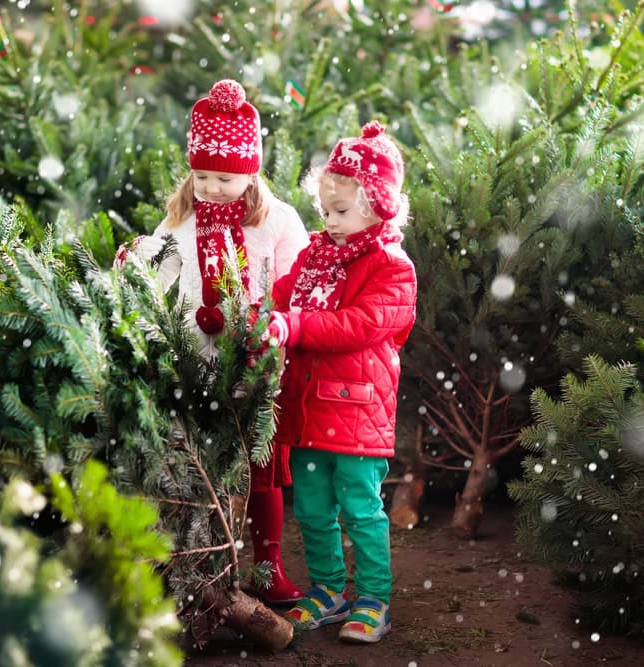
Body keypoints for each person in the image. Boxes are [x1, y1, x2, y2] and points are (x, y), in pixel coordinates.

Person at [120, 79, 310, 604]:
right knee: (203, 465)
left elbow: (296, 283)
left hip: (253, 363)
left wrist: (266, 324)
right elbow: (159, 264)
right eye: (201, 175)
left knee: (259, 468)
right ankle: (206, 566)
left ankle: (268, 564)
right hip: (196, 362)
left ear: (250, 171)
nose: (210, 187)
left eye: (223, 177)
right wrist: (137, 258)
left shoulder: (276, 221)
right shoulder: (182, 216)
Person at [254, 120, 416, 642]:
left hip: (356, 409)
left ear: (378, 207)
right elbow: (284, 293)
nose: (329, 220)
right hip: (307, 407)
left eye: (341, 211)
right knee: (314, 508)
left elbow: (360, 326)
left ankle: (373, 598)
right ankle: (327, 590)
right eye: (324, 209)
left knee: (361, 508)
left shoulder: (392, 267)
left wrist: (295, 324)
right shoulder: (316, 256)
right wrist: (257, 313)